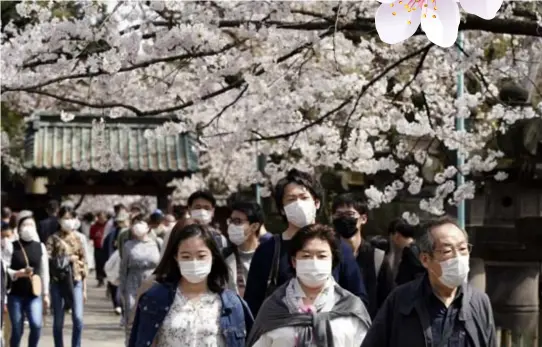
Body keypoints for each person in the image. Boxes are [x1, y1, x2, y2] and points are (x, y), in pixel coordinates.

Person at [244, 169, 367, 317]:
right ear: (282, 209)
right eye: (291, 199)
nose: (298, 204)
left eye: (304, 197)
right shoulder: (268, 250)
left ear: (316, 203)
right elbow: (252, 304)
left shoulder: (337, 246)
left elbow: (357, 299)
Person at [361, 216, 497, 347]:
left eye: (462, 249)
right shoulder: (401, 300)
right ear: (425, 259)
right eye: (447, 251)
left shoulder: (479, 302)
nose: (458, 258)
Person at [128, 223, 253, 347]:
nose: (194, 262)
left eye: (201, 256)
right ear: (176, 258)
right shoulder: (155, 298)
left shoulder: (232, 304)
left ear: (213, 257)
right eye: (186, 256)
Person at [246, 224, 371, 347]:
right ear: (294, 261)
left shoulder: (351, 307)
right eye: (306, 256)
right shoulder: (274, 307)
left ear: (333, 260)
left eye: (322, 256)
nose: (314, 262)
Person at [332, 193, 395, 318]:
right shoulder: (326, 255)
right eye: (339, 215)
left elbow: (387, 302)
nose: (344, 219)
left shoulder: (377, 258)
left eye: (350, 214)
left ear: (363, 219)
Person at [46, 205, 87, 347]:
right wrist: (67, 259)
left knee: (78, 318)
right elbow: (48, 259)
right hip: (58, 282)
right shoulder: (53, 239)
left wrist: (85, 288)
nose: (68, 221)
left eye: (71, 218)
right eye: (65, 218)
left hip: (76, 281)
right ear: (59, 220)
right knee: (58, 320)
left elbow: (84, 263)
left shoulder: (79, 238)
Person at [6, 215, 50, 347]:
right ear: (18, 228)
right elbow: (5, 268)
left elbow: (44, 271)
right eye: (24, 225)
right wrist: (17, 274)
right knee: (17, 329)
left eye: (31, 225)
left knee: (36, 325)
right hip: (15, 293)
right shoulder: (11, 246)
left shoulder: (40, 247)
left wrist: (46, 294)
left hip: (34, 294)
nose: (28, 228)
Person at [119, 215, 162, 341]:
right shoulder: (128, 245)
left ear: (148, 226)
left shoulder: (157, 243)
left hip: (152, 283)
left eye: (141, 222)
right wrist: (122, 290)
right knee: (131, 320)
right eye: (135, 223)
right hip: (132, 284)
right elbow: (123, 269)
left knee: (151, 318)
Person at [224, 201, 271, 296]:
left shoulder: (270, 255)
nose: (232, 226)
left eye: (237, 221)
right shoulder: (224, 256)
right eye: (231, 221)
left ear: (254, 226)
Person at [90, 212, 108, 287]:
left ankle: (108, 280)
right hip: (98, 248)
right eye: (100, 218)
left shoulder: (108, 226)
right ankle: (100, 280)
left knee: (106, 264)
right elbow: (91, 236)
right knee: (98, 264)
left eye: (103, 218)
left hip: (106, 248)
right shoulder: (94, 226)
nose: (102, 219)